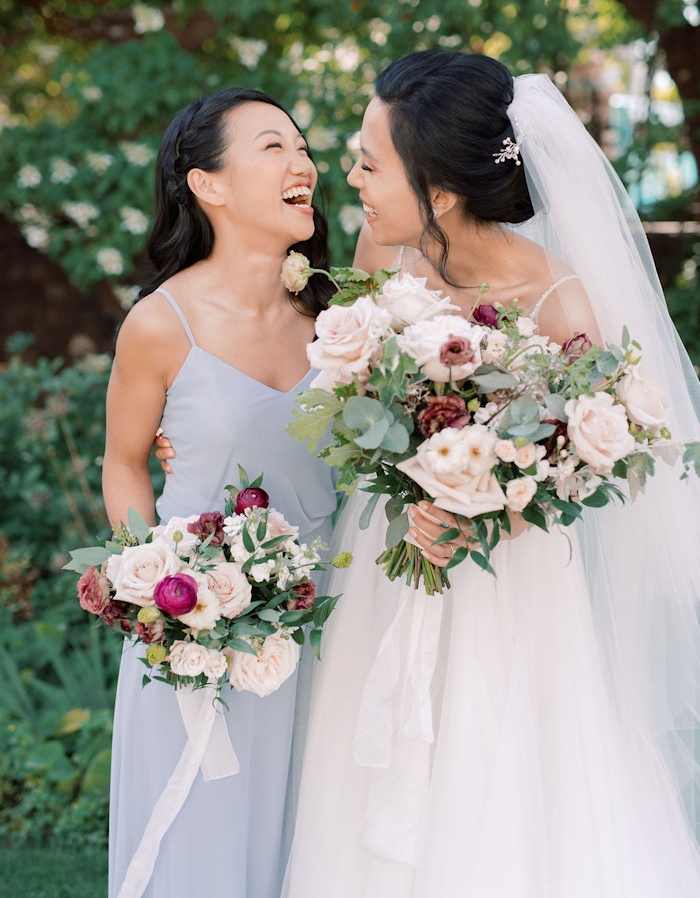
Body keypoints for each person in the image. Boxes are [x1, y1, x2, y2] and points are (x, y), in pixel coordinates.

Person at [281, 50, 700, 897]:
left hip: (509, 581)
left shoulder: (558, 300)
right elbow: (346, 389)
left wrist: (485, 513)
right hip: (393, 563)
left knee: (499, 771)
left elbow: (591, 462)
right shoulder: (384, 253)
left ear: (439, 192)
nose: (351, 179)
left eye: (370, 163)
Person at [102, 87, 338, 898]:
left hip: (329, 622)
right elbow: (124, 463)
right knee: (199, 846)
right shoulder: (160, 324)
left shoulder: (340, 318)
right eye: (274, 147)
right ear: (208, 184)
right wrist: (158, 589)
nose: (303, 162)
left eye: (303, 146)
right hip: (201, 632)